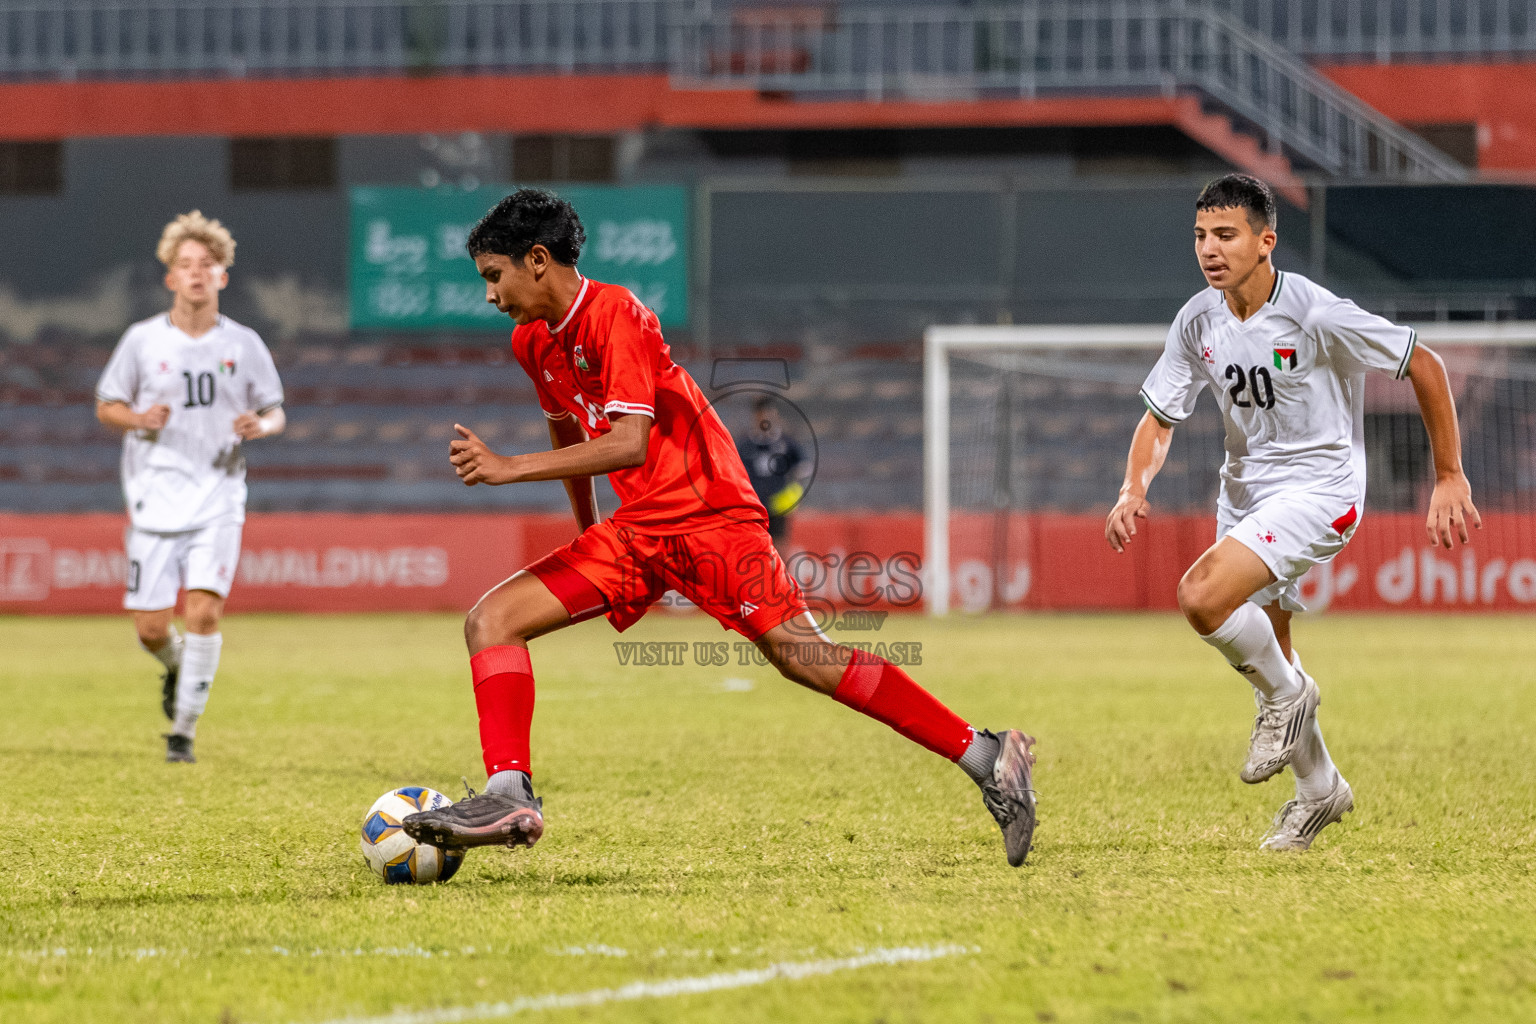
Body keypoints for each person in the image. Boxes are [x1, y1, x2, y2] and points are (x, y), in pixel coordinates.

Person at [400, 188, 1039, 867]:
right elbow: (566, 426)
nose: (490, 296)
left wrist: (505, 468)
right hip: (637, 529)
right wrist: (586, 529)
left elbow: (628, 443)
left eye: (493, 276)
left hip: (710, 515)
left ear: (536, 260)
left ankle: (987, 757)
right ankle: (508, 791)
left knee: (805, 658)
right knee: (490, 620)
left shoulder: (615, 314)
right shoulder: (533, 343)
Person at [1105, 174, 1479, 851]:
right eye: (1200, 236)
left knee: (1201, 598)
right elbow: (1160, 418)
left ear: (1265, 241)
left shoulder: (1314, 313)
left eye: (1226, 235)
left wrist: (1449, 474)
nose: (1209, 249)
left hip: (1321, 489)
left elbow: (1422, 361)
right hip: (1244, 493)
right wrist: (1134, 489)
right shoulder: (1198, 319)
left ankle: (1290, 697)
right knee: (1267, 652)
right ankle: (1319, 789)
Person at [95, 211, 286, 764]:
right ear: (170, 278)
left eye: (207, 264)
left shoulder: (245, 344)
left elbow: (275, 412)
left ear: (223, 276)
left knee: (203, 613)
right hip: (155, 498)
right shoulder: (142, 341)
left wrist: (261, 425)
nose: (197, 273)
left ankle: (183, 733)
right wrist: (138, 419)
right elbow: (108, 406)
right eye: (186, 265)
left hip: (219, 495)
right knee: (153, 629)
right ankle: (176, 666)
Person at [735, 395, 811, 552]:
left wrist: (793, 493)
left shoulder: (785, 442)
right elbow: (734, 472)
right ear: (755, 416)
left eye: (768, 413)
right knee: (754, 548)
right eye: (761, 413)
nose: (765, 417)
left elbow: (803, 468)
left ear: (774, 414)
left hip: (778, 505)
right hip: (753, 506)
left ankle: (781, 576)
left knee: (780, 547)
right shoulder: (745, 444)